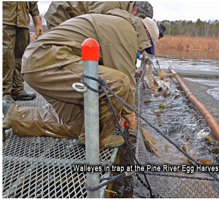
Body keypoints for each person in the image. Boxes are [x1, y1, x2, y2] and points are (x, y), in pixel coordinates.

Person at [3, 9, 159, 151]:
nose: (143, 51)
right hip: (47, 61)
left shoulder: (119, 25)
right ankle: (97, 142)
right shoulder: (126, 31)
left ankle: (12, 114)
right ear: (145, 32)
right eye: (146, 46)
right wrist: (130, 115)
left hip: (40, 64)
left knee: (78, 127)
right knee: (119, 82)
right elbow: (123, 78)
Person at [3, 1, 43, 102]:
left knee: (21, 56)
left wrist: (38, 23)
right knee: (5, 57)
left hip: (23, 22)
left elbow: (33, 3)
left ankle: (17, 89)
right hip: (5, 20)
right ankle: (4, 92)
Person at [45, 1, 154, 30]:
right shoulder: (112, 6)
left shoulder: (123, 11)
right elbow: (93, 26)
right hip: (62, 13)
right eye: (140, 18)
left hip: (74, 17)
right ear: (135, 10)